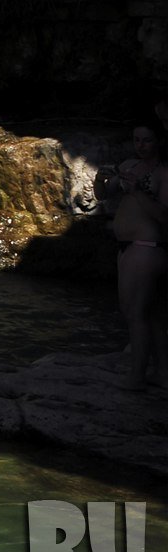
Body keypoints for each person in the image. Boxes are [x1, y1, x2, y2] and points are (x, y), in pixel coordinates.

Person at [107, 126, 168, 389]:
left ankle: (136, 377)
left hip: (146, 249)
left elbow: (165, 217)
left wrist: (137, 191)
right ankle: (163, 374)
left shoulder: (164, 173)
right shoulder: (130, 165)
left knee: (135, 314)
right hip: (130, 249)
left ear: (159, 141)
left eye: (147, 140)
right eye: (137, 140)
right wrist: (101, 180)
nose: (141, 145)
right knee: (154, 315)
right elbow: (103, 195)